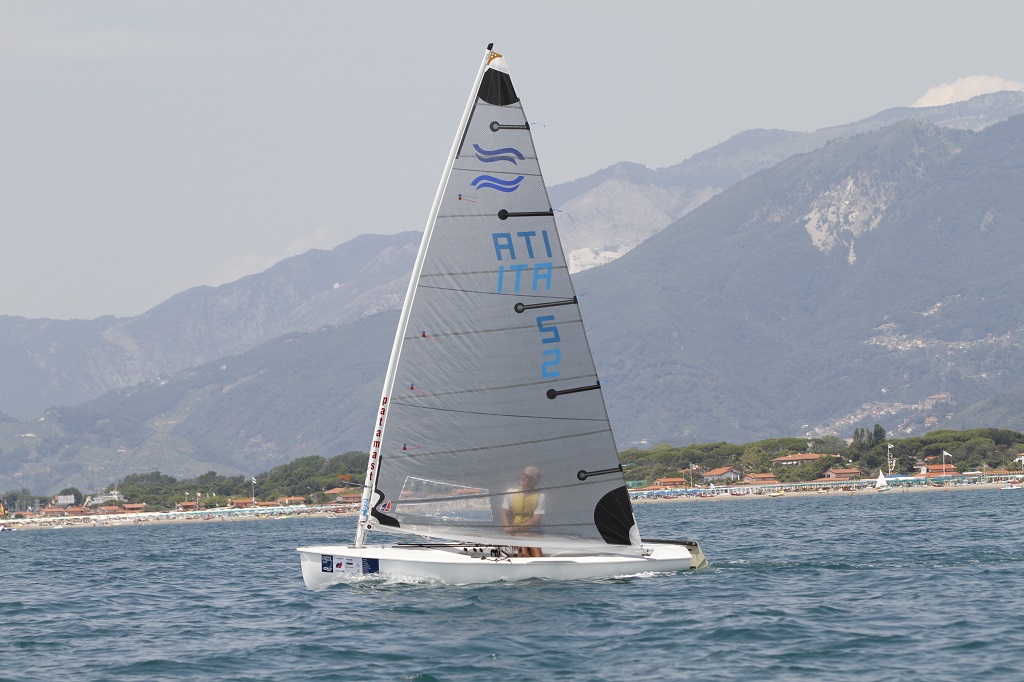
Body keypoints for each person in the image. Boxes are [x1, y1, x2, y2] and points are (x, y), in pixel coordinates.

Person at [502, 466, 546, 557]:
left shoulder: (540, 496)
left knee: (531, 554)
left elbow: (535, 519)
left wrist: (516, 529)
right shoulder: (510, 492)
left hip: (531, 532)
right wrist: (507, 528)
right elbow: (504, 513)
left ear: (534, 481)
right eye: (523, 475)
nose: (523, 478)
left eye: (528, 477)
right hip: (513, 532)